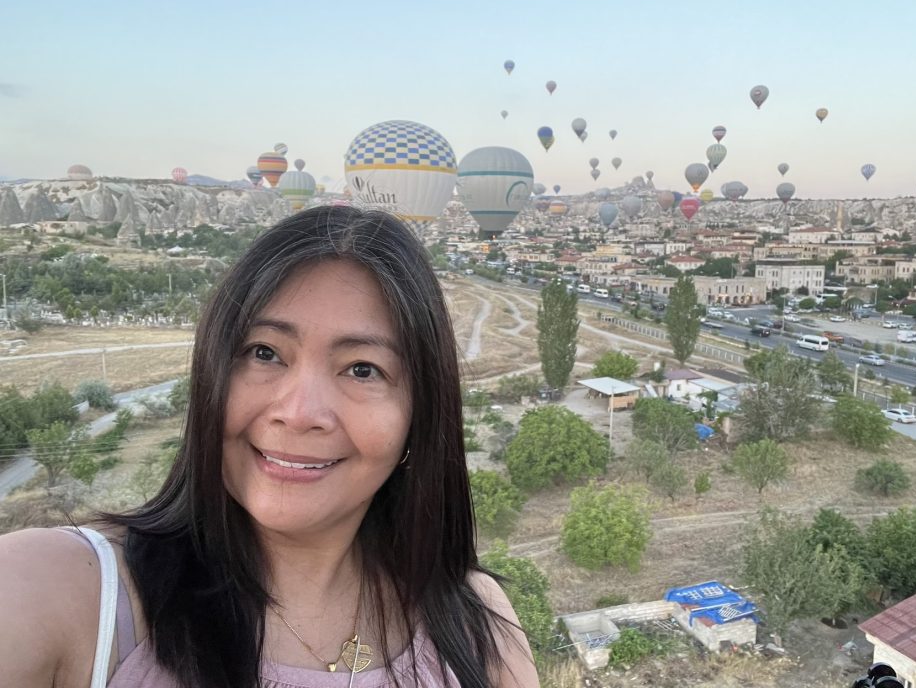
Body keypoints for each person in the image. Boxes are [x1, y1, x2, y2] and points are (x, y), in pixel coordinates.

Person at [0, 205, 540, 688]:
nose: (299, 412)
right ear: (212, 371)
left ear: (418, 418)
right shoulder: (64, 591)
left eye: (362, 369)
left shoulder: (474, 623)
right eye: (264, 352)